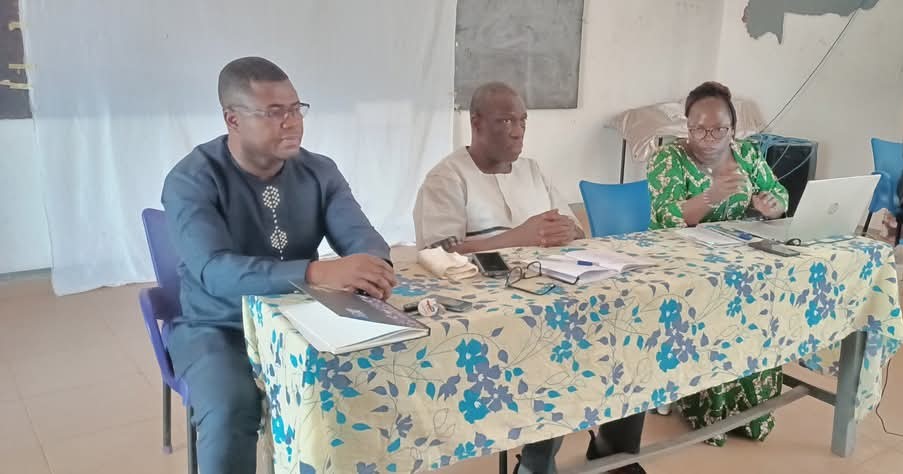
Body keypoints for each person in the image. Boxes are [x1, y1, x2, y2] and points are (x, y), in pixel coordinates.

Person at [162, 57, 396, 473]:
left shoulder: (319, 171)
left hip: (305, 319)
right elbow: (214, 271)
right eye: (273, 112)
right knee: (231, 406)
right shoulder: (192, 180)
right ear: (233, 119)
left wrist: (372, 266)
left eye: (295, 109)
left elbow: (361, 236)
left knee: (380, 377)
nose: (292, 123)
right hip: (220, 326)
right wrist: (315, 272)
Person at [414, 81, 646, 474]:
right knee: (554, 352)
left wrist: (567, 231)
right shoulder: (447, 178)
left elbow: (573, 227)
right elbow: (438, 254)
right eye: (506, 121)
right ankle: (536, 463)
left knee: (627, 328)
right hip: (492, 310)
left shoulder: (532, 170)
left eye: (522, 121)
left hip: (557, 288)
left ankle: (615, 449)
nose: (518, 131)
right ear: (476, 122)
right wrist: (518, 237)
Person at [646, 81, 789, 446]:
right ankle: (706, 404)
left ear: (733, 129)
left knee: (766, 298)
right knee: (719, 303)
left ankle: (750, 405)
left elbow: (779, 193)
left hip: (737, 256)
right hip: (680, 263)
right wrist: (711, 196)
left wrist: (771, 206)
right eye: (699, 129)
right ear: (687, 127)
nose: (708, 138)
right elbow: (666, 216)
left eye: (719, 130)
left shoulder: (747, 154)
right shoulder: (669, 159)